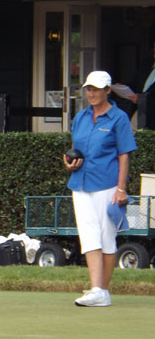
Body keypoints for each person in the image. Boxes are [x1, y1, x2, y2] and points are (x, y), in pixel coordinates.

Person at [63, 71, 137, 307]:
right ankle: (97, 290)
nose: (92, 94)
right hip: (80, 184)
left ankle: (101, 290)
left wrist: (121, 189)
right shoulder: (81, 117)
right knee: (88, 236)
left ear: (107, 90)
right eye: (89, 89)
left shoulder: (119, 118)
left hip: (107, 185)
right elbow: (75, 149)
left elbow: (124, 155)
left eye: (97, 89)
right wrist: (68, 163)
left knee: (106, 237)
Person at [117, 40, 155, 125]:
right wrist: (122, 87)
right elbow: (135, 83)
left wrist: (143, 99)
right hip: (140, 113)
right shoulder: (146, 64)